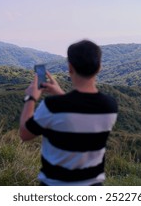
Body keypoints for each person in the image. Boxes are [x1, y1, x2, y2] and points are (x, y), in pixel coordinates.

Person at [19, 39, 118, 186]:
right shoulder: (110, 106)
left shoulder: (52, 106)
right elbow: (79, 110)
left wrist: (31, 97)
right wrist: (61, 94)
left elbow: (25, 134)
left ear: (70, 68)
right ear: (99, 68)